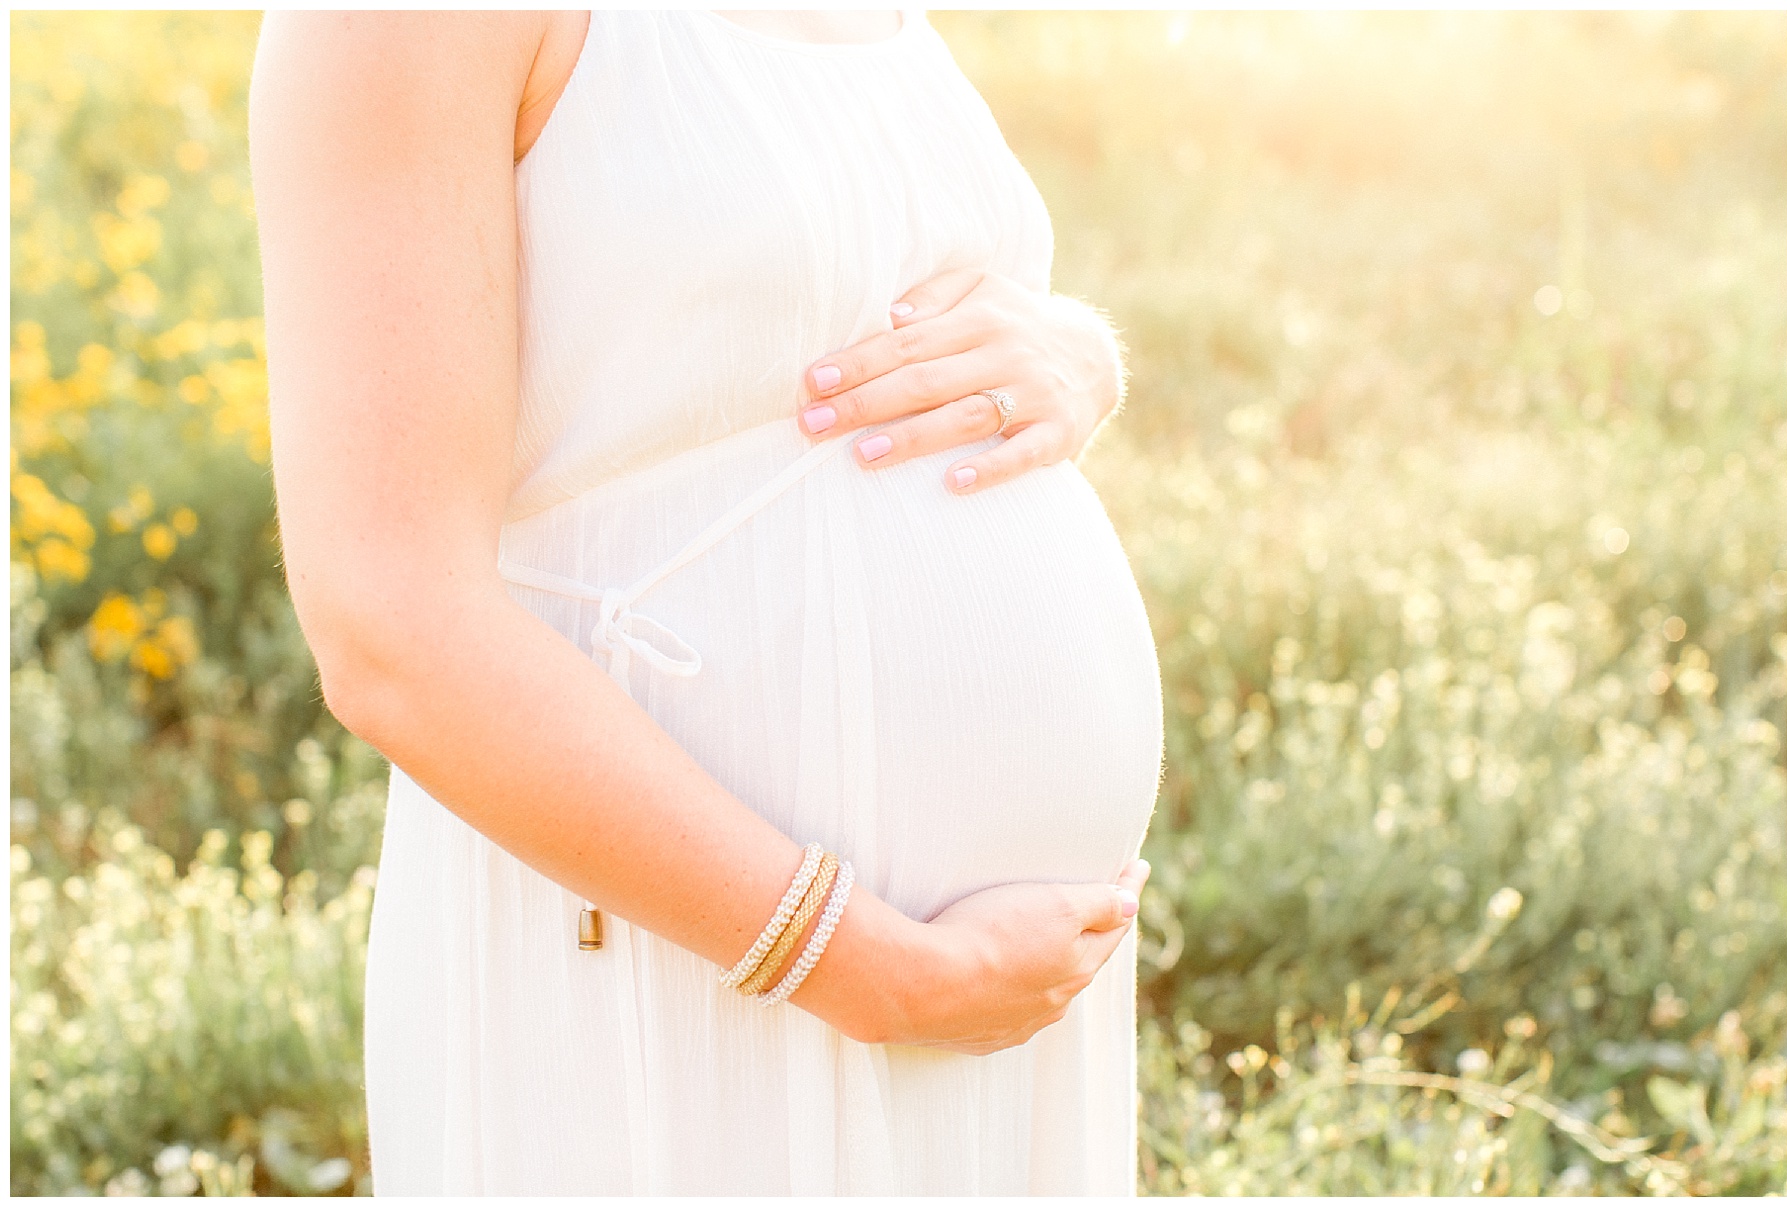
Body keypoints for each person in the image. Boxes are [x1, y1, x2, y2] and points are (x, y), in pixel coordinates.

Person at [249, 9, 1164, 1195]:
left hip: (981, 995)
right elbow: (389, 619)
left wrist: (1079, 353)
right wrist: (876, 974)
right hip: (682, 964)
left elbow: (825, 306)